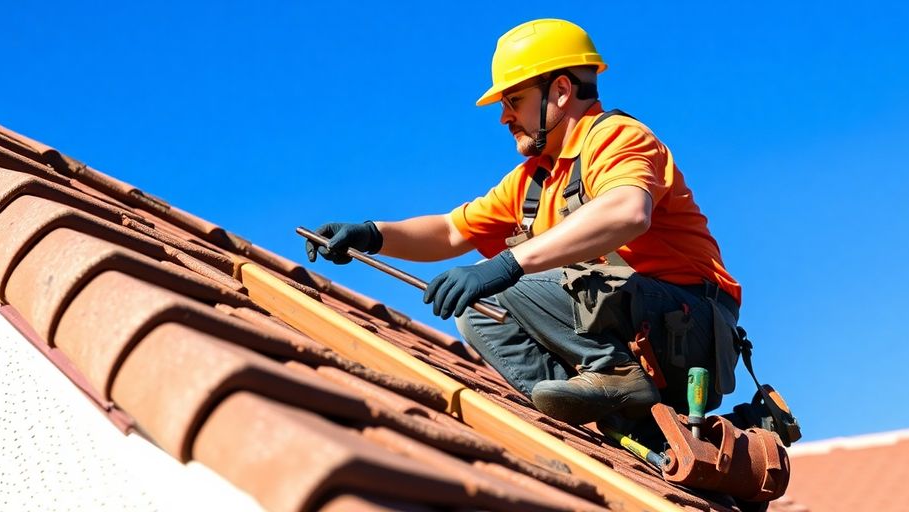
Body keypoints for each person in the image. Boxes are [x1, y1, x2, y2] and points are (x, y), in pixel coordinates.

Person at [305, 19, 742, 433]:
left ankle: (616, 376)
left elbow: (627, 211)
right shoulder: (534, 180)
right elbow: (451, 232)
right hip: (631, 327)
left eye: (514, 100)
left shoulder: (617, 138)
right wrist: (371, 234)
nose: (503, 117)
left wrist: (506, 265)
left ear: (561, 91)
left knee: (503, 281)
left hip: (687, 331)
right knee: (475, 311)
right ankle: (609, 414)